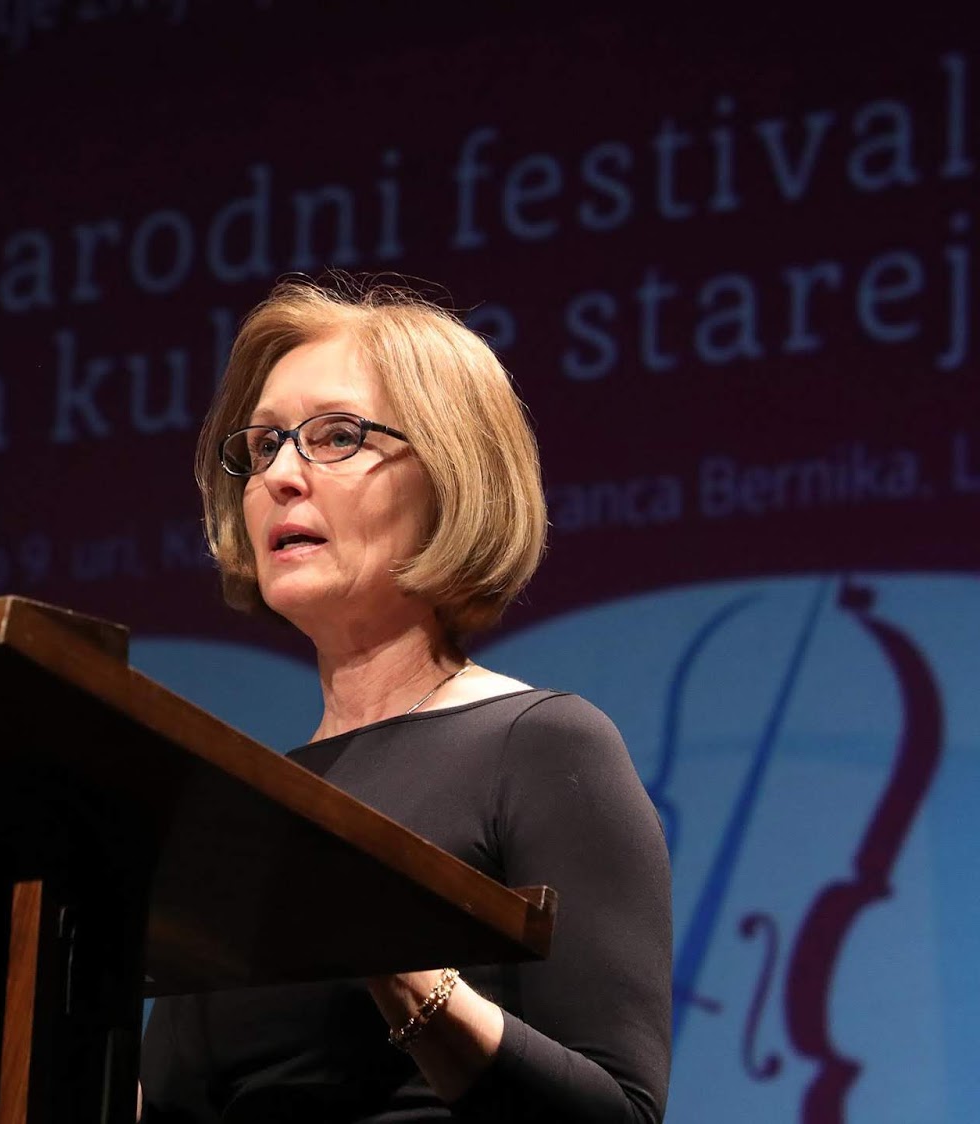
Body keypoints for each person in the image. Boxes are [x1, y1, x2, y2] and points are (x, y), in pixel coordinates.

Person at [138, 276, 673, 1122]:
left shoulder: (540, 746)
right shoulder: (241, 809)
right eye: (265, 444)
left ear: (450, 474)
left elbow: (621, 1112)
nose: (280, 475)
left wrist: (398, 961)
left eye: (337, 437)